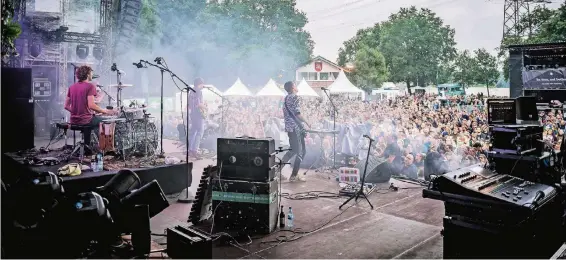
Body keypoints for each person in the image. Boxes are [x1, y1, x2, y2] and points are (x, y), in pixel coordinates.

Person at [64, 65, 116, 152]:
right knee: (106, 121)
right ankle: (106, 148)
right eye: (91, 73)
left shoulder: (72, 87)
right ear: (88, 74)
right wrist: (105, 111)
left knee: (95, 123)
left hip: (74, 121)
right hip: (86, 120)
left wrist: (77, 112)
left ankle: (88, 147)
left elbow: (66, 106)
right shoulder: (90, 86)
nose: (92, 75)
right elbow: (91, 105)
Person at [281, 81, 310, 181]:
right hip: (295, 128)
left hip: (289, 128)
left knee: (293, 150)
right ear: (293, 87)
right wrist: (307, 122)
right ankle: (294, 175)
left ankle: (276, 172)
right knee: (301, 152)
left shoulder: (285, 98)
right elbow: (297, 114)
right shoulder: (295, 97)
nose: (296, 86)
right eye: (295, 85)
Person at [188, 78, 206, 159]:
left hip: (192, 114)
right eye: (202, 84)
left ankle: (191, 150)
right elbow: (199, 104)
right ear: (200, 84)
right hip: (198, 115)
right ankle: (195, 150)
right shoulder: (199, 91)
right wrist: (205, 107)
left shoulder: (191, 92)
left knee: (193, 132)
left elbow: (189, 105)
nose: (203, 85)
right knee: (200, 132)